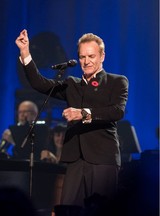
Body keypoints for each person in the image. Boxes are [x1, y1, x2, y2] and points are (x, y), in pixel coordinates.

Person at [15, 29, 129, 209]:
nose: (86, 61)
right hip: (75, 159)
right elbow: (40, 83)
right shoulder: (71, 84)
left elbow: (117, 111)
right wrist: (25, 53)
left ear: (102, 56)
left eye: (91, 56)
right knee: (68, 209)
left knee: (102, 210)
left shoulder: (117, 81)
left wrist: (82, 113)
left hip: (103, 158)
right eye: (82, 57)